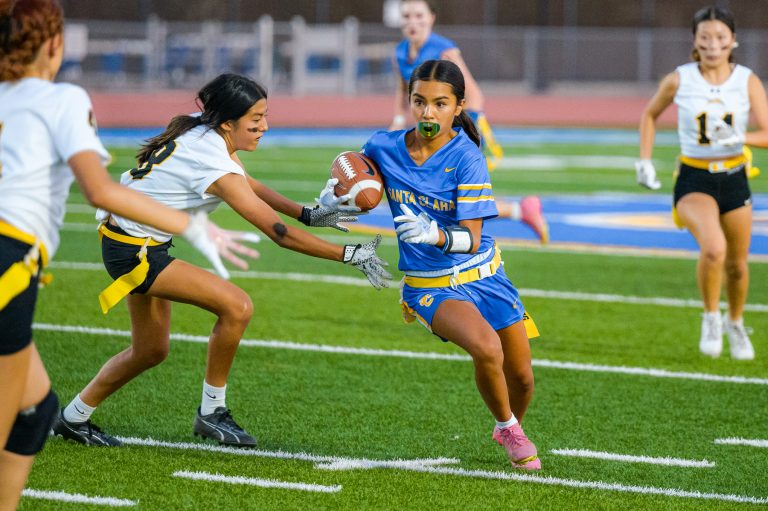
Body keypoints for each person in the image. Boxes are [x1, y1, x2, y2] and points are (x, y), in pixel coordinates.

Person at [52, 72, 391, 451]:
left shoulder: (204, 131)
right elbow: (277, 233)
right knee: (237, 306)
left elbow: (248, 183)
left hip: (133, 242)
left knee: (150, 350)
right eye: (256, 119)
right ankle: (212, 413)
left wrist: (309, 214)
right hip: (135, 251)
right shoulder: (214, 158)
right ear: (228, 123)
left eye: (265, 115)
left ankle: (73, 418)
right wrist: (351, 254)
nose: (265, 126)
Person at [0, 1, 229, 509]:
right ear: (54, 44)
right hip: (7, 262)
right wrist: (190, 224)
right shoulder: (62, 99)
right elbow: (100, 191)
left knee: (36, 412)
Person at [359, 59, 541, 470]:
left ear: (458, 106)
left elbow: (472, 238)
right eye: (419, 102)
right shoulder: (382, 146)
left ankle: (509, 422)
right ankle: (509, 427)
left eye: (440, 104)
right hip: (430, 285)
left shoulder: (467, 157)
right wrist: (338, 196)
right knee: (485, 347)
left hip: (486, 276)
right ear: (409, 101)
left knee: (524, 379)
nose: (427, 113)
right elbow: (355, 178)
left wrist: (435, 235)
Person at [636, 5, 768, 360]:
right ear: (694, 40)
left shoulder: (747, 80)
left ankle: (736, 322)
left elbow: (767, 132)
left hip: (735, 177)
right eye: (705, 37)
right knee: (714, 248)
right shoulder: (680, 79)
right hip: (694, 178)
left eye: (720, 37)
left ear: (733, 41)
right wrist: (644, 160)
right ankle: (711, 316)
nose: (712, 44)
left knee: (738, 267)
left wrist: (739, 139)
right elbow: (649, 114)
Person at [389, 0, 549, 244]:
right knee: (446, 202)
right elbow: (403, 93)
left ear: (432, 17)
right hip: (428, 133)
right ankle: (522, 210)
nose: (413, 21)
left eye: (419, 15)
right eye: (407, 15)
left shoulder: (444, 51)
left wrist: (461, 137)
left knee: (448, 202)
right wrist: (398, 122)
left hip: (457, 132)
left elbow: (474, 96)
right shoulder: (399, 52)